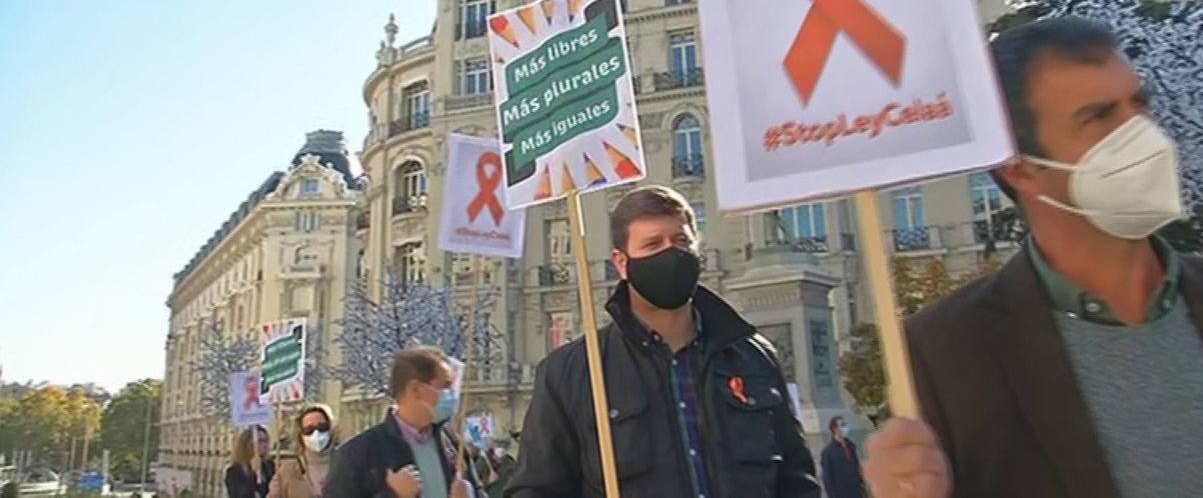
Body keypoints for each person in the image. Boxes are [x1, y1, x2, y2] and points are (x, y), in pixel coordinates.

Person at [862, 17, 1203, 498]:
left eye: (1139, 104)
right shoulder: (945, 356)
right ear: (1019, 167)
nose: (1141, 135)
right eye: (1099, 117)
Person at [506, 184, 820, 498]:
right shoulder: (571, 373)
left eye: (681, 241)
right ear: (621, 263)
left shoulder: (754, 358)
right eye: (653, 244)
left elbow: (797, 479)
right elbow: (536, 489)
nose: (672, 253)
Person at [323, 346, 481, 498]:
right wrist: (392, 495)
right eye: (445, 386)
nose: (451, 395)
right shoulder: (357, 453)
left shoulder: (452, 444)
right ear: (416, 389)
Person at [267, 404, 338, 498]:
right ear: (300, 434)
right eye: (309, 430)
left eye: (322, 427)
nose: (316, 434)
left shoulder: (346, 464)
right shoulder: (288, 470)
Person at [820, 416, 867, 498]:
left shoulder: (851, 446)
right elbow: (827, 477)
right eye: (842, 425)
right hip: (842, 493)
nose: (845, 428)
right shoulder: (829, 452)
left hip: (857, 491)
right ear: (835, 429)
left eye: (845, 425)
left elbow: (857, 468)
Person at [226, 426, 275, 498]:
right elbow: (239, 495)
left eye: (266, 441)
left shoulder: (269, 466)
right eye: (260, 441)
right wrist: (252, 474)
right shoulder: (235, 470)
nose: (264, 445)